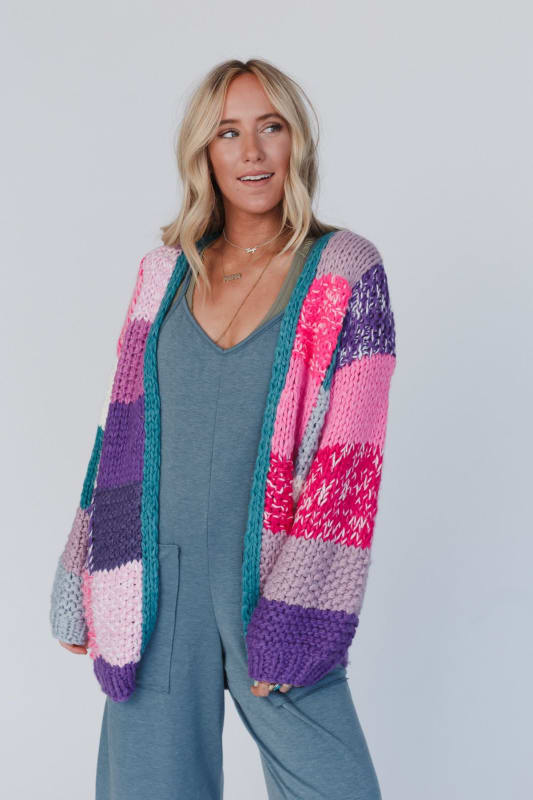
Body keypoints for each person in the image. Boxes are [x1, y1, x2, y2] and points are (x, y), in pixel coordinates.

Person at [49, 57, 397, 799]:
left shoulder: (344, 269)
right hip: (154, 586)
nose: (252, 151)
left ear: (296, 140)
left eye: (270, 127)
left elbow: (349, 463)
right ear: (203, 150)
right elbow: (118, 434)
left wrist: (298, 614)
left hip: (272, 579)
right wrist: (82, 565)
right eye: (229, 132)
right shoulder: (162, 273)